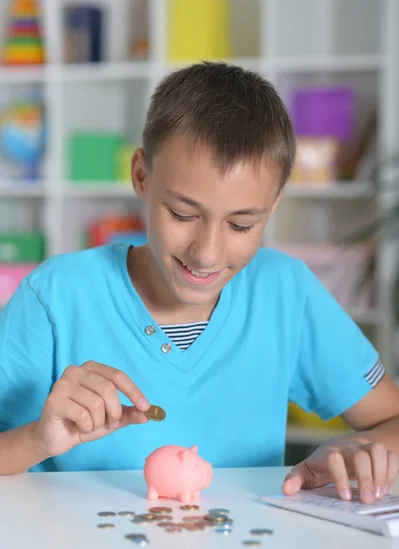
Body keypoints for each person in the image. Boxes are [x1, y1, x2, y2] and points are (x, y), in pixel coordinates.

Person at [0, 62, 398, 505]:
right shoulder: (55, 297)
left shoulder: (286, 292)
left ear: (274, 204)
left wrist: (362, 447)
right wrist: (37, 439)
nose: (207, 253)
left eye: (242, 225)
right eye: (183, 215)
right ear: (141, 177)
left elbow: (393, 419)